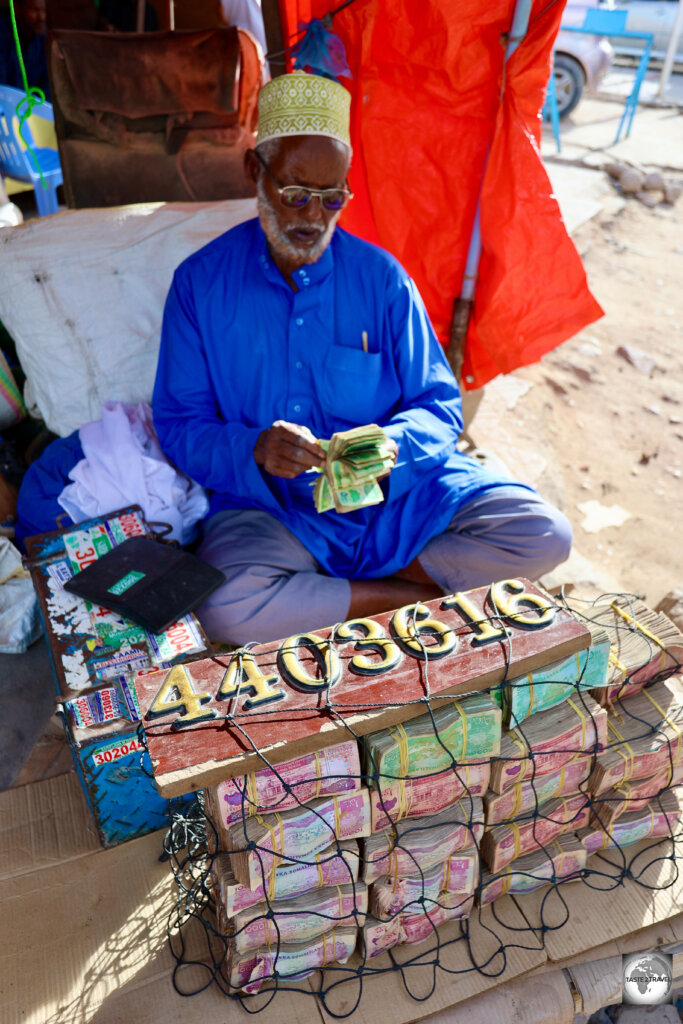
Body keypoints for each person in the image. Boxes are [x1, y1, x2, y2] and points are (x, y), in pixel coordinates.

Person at [152, 71, 572, 646]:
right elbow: (180, 424)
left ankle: (336, 597)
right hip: (276, 511)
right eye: (295, 193)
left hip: (399, 502)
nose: (312, 216)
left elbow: (438, 405)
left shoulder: (381, 278)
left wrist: (395, 447)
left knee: (543, 535)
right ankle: (415, 600)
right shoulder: (200, 285)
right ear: (255, 172)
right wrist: (253, 448)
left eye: (332, 198)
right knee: (225, 603)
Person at [0, 0, 49, 100]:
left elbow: (47, 84)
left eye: (44, 11)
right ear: (16, 8)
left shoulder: (43, 38)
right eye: (35, 10)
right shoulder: (3, 34)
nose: (42, 17)